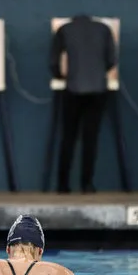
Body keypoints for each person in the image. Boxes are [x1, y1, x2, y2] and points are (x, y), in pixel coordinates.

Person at [50, 15, 117, 194]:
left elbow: (54, 61)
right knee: (91, 139)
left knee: (68, 138)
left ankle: (63, 184)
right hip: (97, 89)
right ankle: (87, 184)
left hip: (73, 88)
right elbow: (111, 60)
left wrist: (60, 75)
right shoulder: (104, 29)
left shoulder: (64, 30)